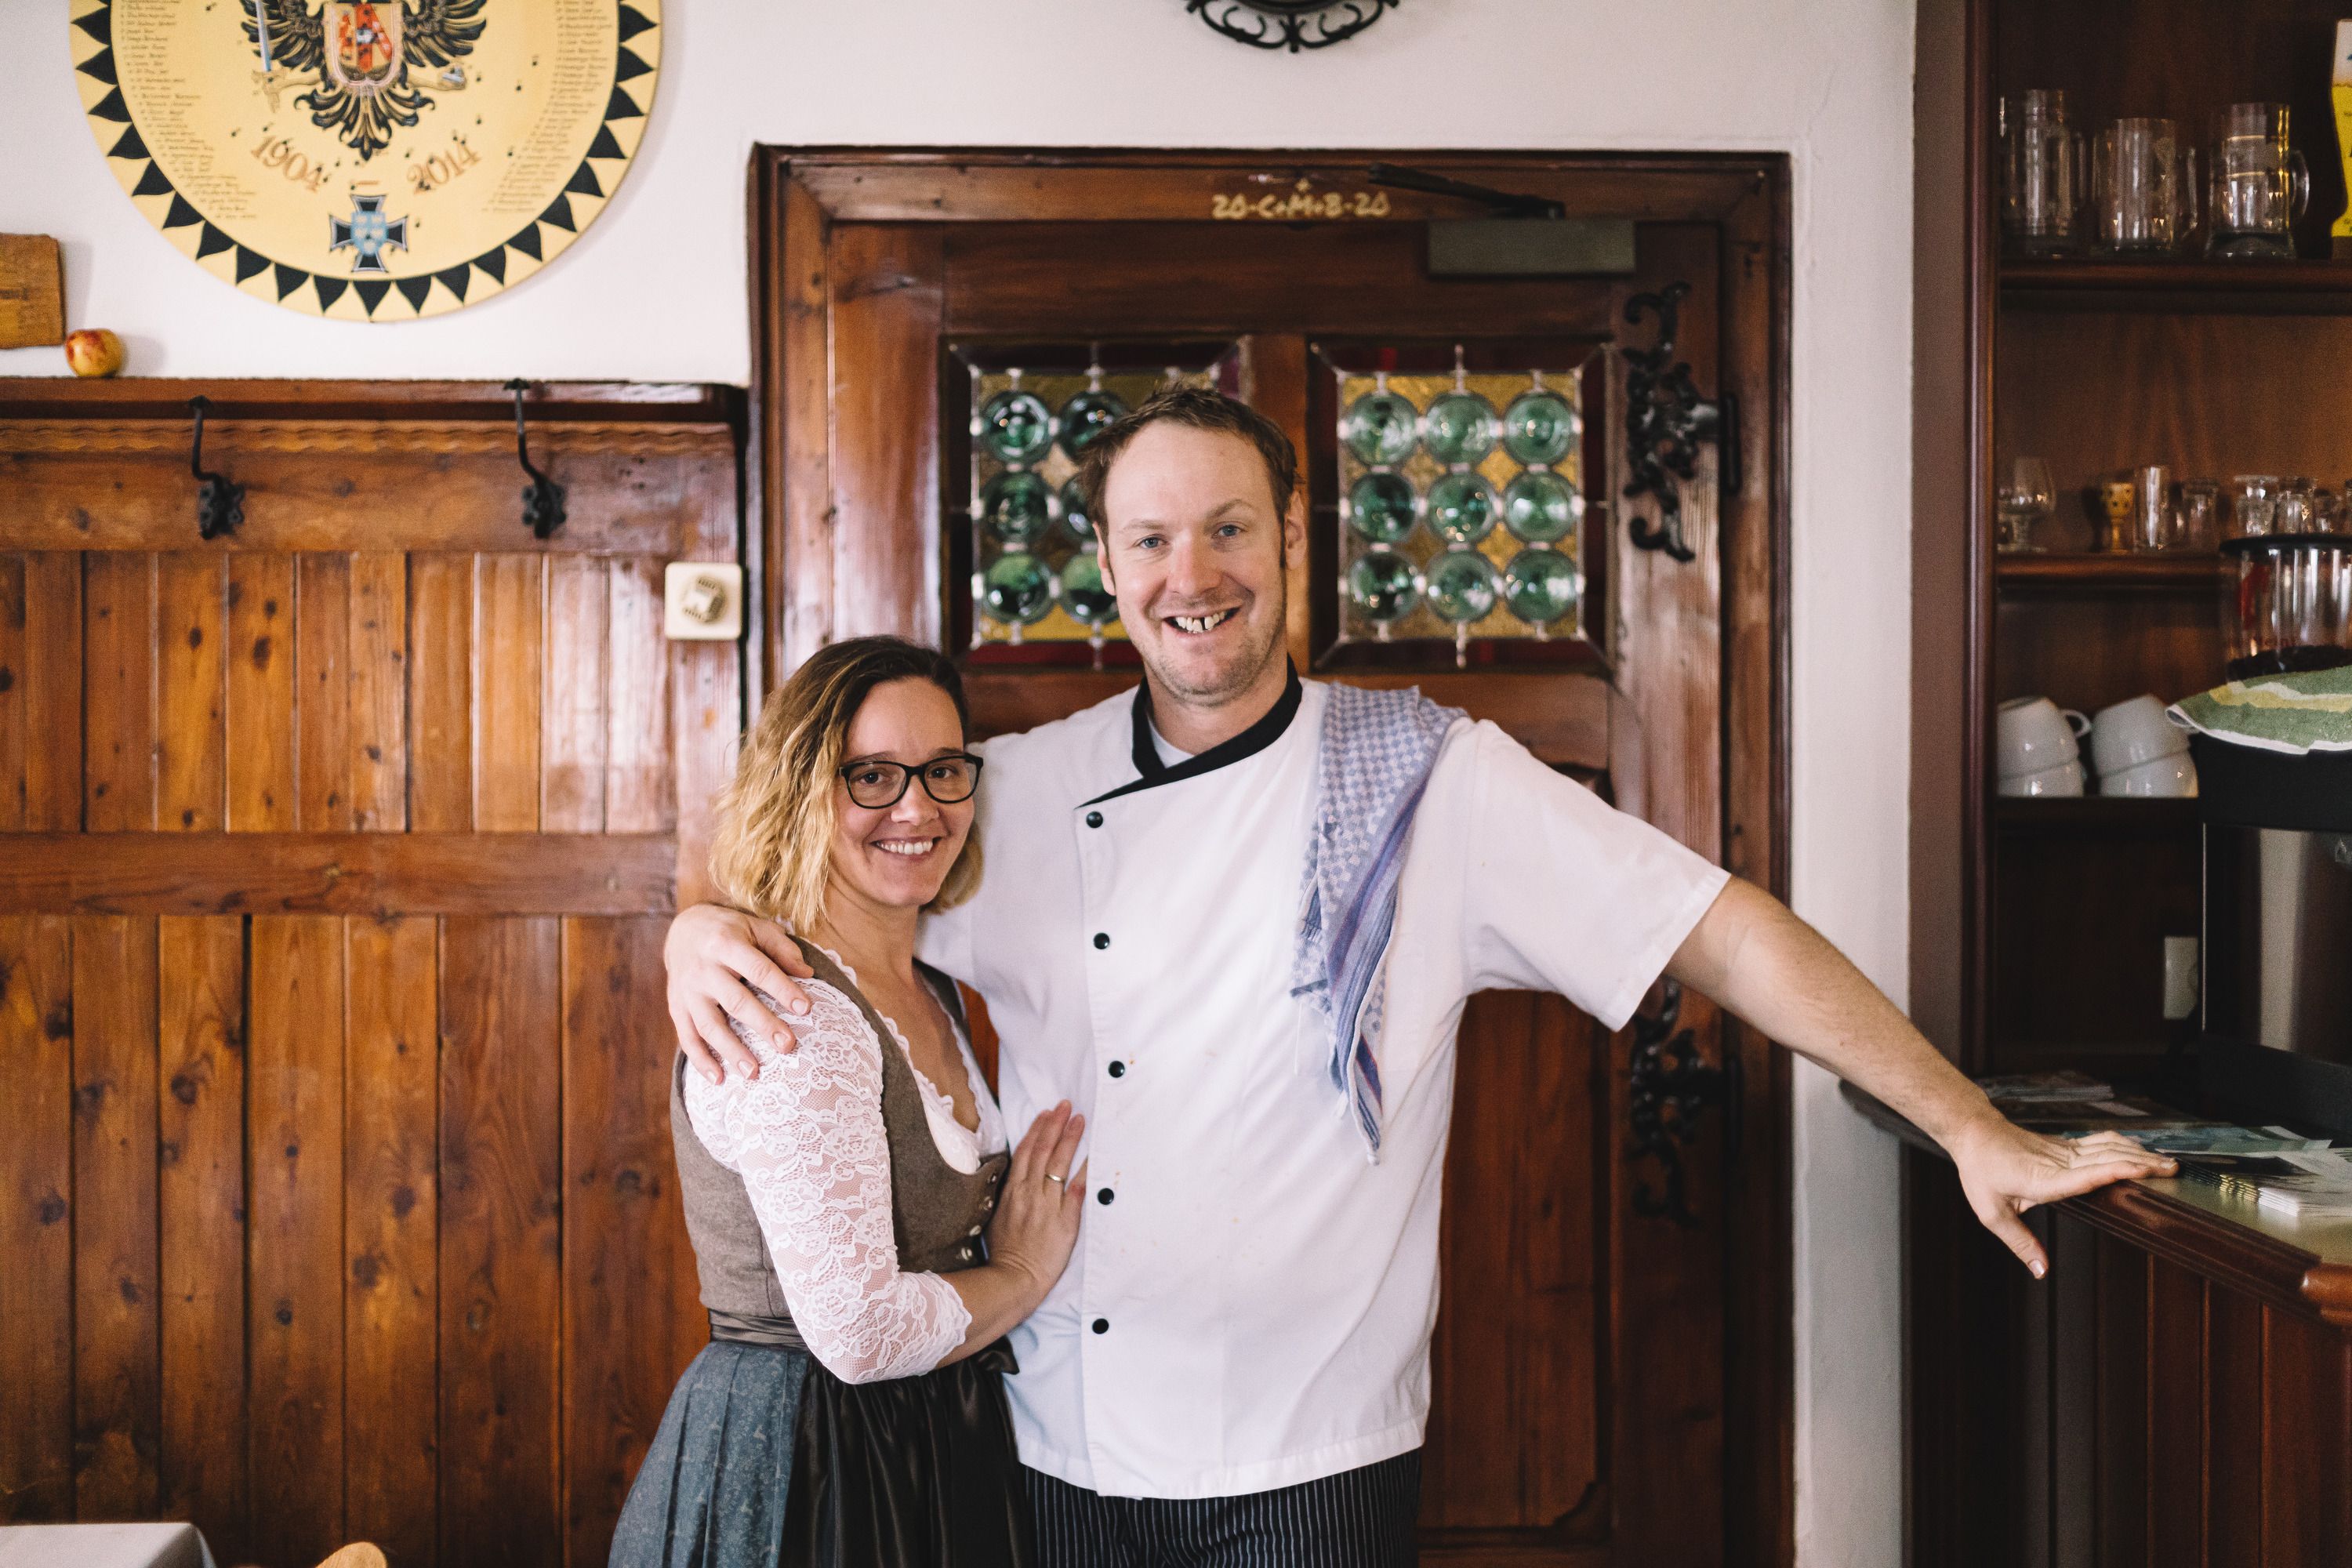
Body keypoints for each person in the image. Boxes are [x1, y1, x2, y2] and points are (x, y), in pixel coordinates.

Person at [661, 388, 2178, 1566]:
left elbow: (1716, 928)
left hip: (1314, 1450)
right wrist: (693, 923)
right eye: (1151, 540)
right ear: (1110, 567)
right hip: (1054, 1437)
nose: (1193, 576)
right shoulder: (1011, 791)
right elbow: (815, 860)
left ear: (1292, 540)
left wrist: (1967, 1121)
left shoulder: (1432, 781)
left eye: (1231, 530)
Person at [612, 637, 1088, 1568]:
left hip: (923, 1447)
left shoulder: (929, 986)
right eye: (870, 775)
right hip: (808, 1464)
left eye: (943, 771)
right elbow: (862, 1334)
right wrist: (1024, 1275)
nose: (917, 807)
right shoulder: (792, 1007)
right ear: (802, 790)